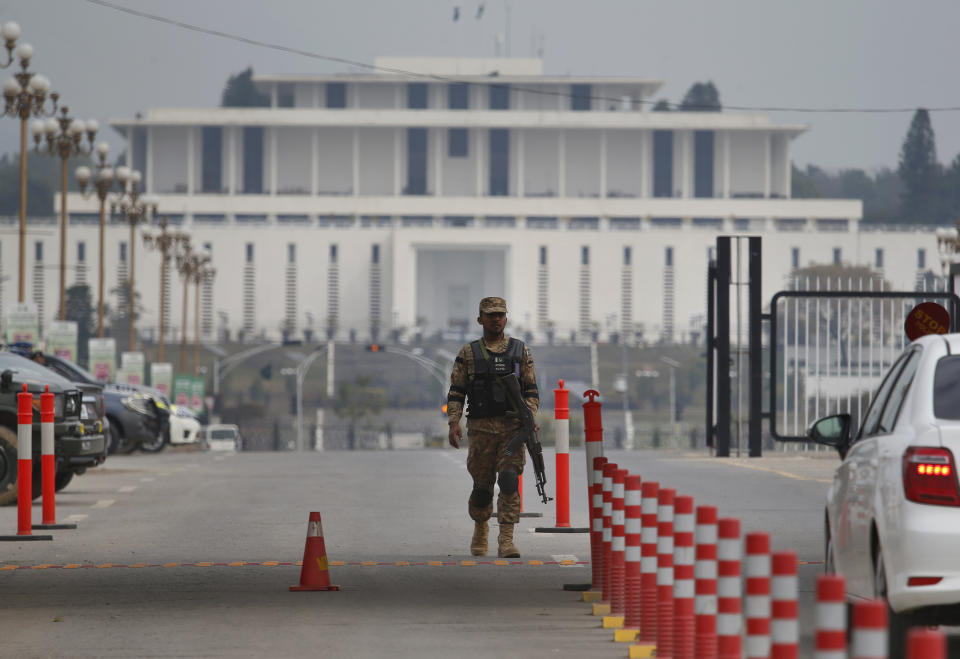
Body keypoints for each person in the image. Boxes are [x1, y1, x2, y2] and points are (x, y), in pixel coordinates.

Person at [446, 297, 539, 558]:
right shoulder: (469, 353)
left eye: (500, 314)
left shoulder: (521, 351)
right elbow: (457, 391)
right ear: (480, 319)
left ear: (506, 318)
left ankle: (506, 539)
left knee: (509, 481)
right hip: (480, 430)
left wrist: (530, 419)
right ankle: (480, 527)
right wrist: (454, 422)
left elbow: (531, 390)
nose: (496, 319)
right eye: (490, 315)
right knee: (483, 487)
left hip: (512, 428)